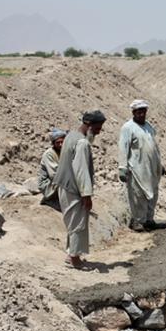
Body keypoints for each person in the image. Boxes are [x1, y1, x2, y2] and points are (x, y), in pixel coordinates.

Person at [52, 110, 106, 269]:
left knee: (73, 223)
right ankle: (74, 259)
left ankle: (72, 254)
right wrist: (87, 195)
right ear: (89, 125)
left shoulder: (71, 136)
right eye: (98, 127)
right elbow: (81, 171)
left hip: (65, 186)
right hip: (74, 190)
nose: (99, 131)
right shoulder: (81, 143)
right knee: (78, 224)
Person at [118, 99, 165, 232]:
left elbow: (154, 146)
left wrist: (160, 164)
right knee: (138, 195)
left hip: (151, 167)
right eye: (138, 111)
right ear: (133, 112)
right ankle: (138, 221)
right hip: (137, 168)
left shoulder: (148, 126)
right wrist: (122, 168)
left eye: (143, 111)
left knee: (153, 193)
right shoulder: (128, 127)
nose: (141, 114)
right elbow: (123, 147)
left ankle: (149, 220)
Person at [38, 128, 66, 207]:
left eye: (62, 142)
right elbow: (55, 175)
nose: (60, 144)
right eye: (58, 142)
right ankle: (49, 199)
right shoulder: (49, 154)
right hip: (47, 184)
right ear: (53, 143)